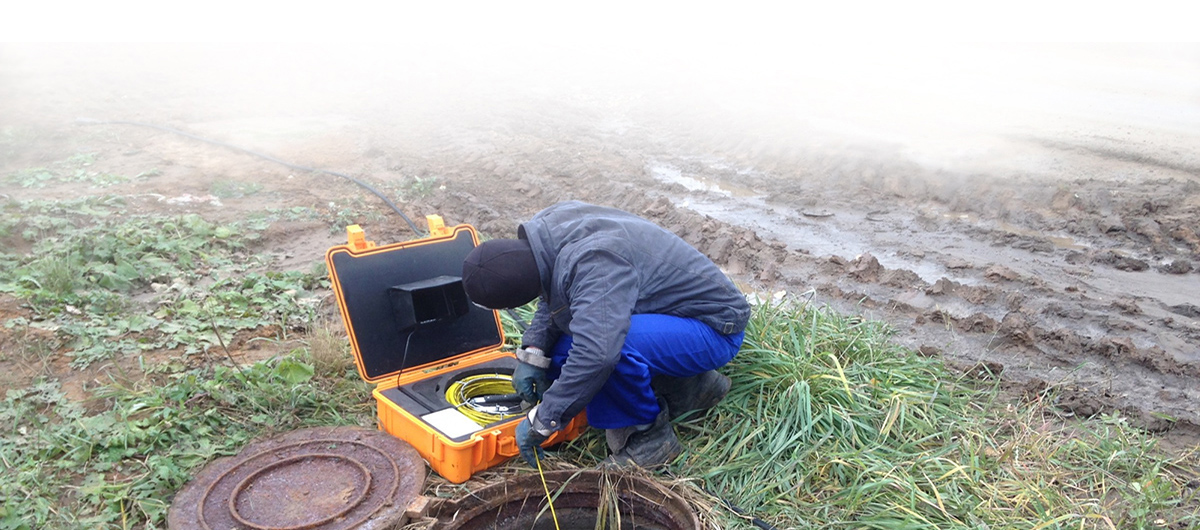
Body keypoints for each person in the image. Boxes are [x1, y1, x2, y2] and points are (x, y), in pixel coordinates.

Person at [461, 201, 750, 468]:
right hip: (669, 312)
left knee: (606, 347)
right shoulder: (544, 235)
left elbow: (597, 355)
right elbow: (553, 289)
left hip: (713, 327)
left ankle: (650, 440)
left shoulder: (595, 263)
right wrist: (534, 352)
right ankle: (690, 388)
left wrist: (543, 420)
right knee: (564, 348)